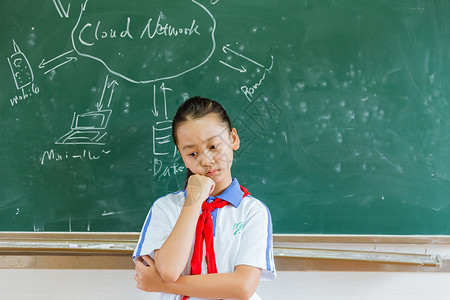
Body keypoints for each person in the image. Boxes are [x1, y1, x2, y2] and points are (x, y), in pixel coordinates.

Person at [133, 96, 276, 300]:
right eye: (192, 153)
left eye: (213, 146)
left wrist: (161, 284)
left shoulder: (252, 211)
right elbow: (169, 271)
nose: (206, 160)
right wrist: (193, 201)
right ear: (182, 157)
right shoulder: (166, 208)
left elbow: (243, 287)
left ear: (233, 139)